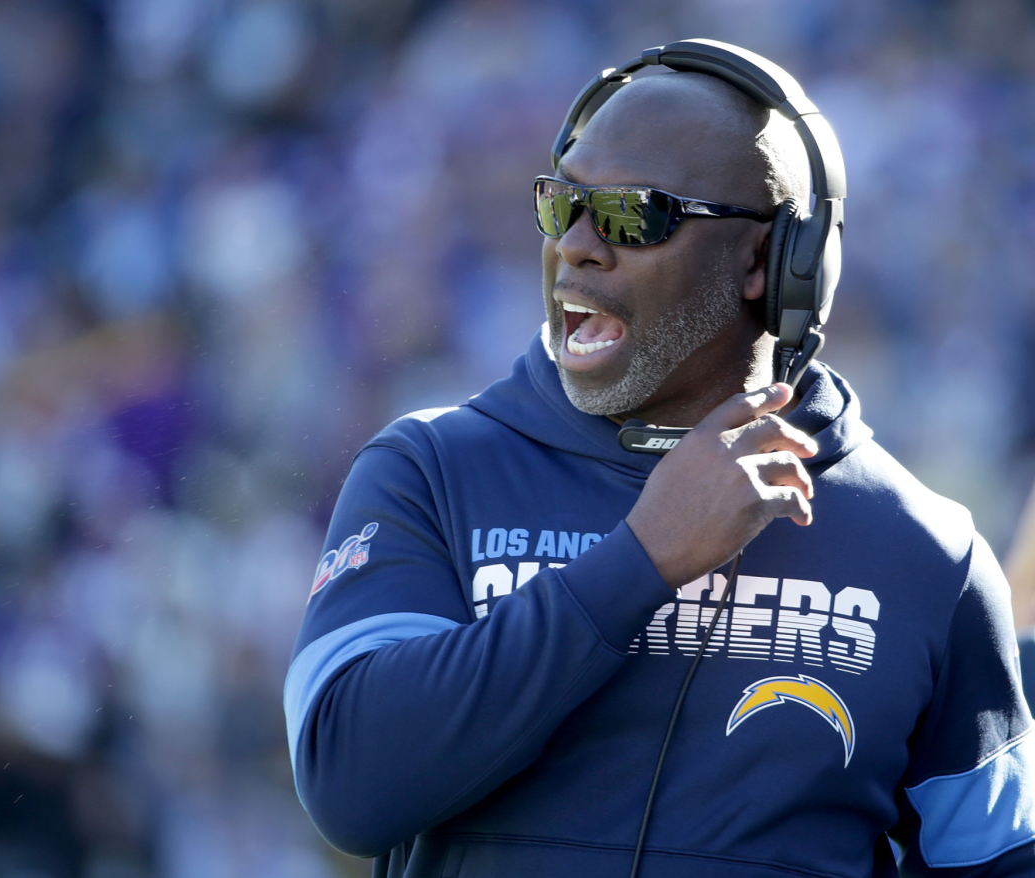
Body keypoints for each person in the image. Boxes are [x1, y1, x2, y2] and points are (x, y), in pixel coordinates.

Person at [285, 49, 1035, 878]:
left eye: (630, 217)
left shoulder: (928, 552)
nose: (575, 246)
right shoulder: (427, 472)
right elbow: (349, 786)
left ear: (771, 261)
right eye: (561, 203)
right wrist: (641, 560)